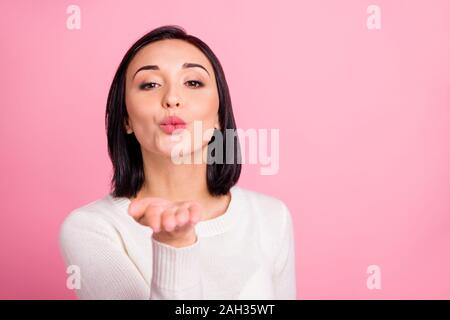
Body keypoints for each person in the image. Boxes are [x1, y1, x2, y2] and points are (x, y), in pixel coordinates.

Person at [59, 25, 296, 300]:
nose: (172, 98)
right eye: (150, 84)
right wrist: (174, 245)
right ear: (126, 119)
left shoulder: (271, 217)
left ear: (219, 115)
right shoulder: (91, 227)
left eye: (193, 82)